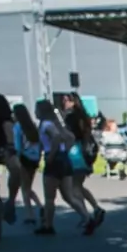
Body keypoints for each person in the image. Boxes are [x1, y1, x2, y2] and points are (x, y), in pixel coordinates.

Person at [34, 99, 93, 235]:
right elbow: (70, 138)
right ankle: (87, 218)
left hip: (54, 161)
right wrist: (63, 150)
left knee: (49, 197)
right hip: (64, 160)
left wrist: (50, 155)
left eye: (37, 110)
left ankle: (48, 225)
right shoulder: (56, 124)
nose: (35, 113)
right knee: (68, 195)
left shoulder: (46, 125)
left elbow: (55, 138)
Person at [63, 92, 105, 228]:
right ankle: (92, 210)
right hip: (85, 152)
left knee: (74, 187)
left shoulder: (71, 117)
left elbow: (70, 134)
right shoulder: (83, 116)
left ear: (72, 102)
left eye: (66, 101)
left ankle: (86, 214)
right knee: (78, 185)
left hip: (75, 152)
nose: (64, 104)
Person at [0, 73, 24, 224]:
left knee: (16, 168)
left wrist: (10, 146)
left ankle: (11, 202)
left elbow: (7, 124)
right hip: (0, 143)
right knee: (16, 168)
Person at [10, 103, 44, 224]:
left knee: (25, 188)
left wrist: (16, 158)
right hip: (34, 158)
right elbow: (39, 144)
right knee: (28, 186)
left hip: (24, 158)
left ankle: (30, 215)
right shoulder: (33, 126)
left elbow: (18, 146)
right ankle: (40, 207)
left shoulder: (18, 127)